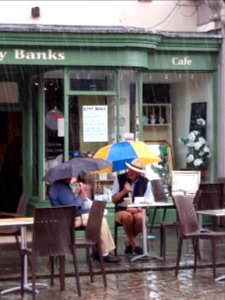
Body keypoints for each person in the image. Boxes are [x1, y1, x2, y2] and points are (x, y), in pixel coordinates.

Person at [48, 175, 120, 263]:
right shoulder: (61, 187)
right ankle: (104, 253)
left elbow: (71, 203)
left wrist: (79, 197)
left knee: (98, 218)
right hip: (69, 220)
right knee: (99, 220)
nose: (71, 177)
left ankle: (99, 251)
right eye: (70, 176)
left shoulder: (61, 186)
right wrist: (81, 197)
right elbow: (72, 206)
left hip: (69, 217)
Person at [111, 158, 153, 255]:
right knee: (127, 216)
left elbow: (149, 200)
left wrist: (137, 209)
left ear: (139, 173)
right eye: (130, 169)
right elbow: (113, 200)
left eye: (134, 171)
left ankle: (129, 243)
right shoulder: (120, 178)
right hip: (121, 211)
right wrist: (124, 192)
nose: (130, 172)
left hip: (138, 210)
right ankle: (135, 245)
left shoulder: (145, 182)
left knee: (140, 218)